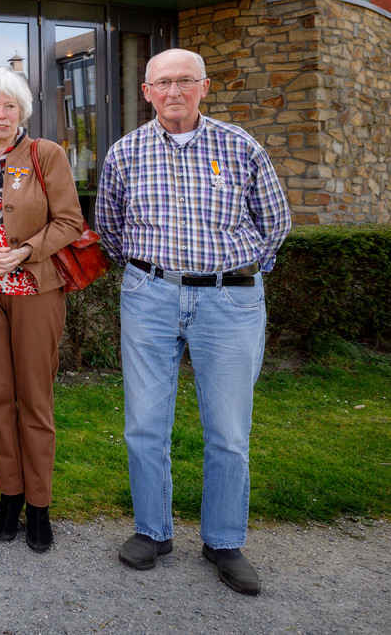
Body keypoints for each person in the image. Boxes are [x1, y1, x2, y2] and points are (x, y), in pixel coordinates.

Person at [98, 48, 291, 596]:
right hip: (149, 295)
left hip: (228, 302)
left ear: (204, 87)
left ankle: (224, 541)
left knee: (228, 430)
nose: (174, 91)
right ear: (147, 92)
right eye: (163, 83)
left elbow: (275, 222)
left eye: (185, 81)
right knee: (144, 422)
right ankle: (152, 532)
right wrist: (147, 274)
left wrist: (241, 274)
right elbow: (109, 227)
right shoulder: (125, 152)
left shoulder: (240, 146)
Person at [0, 67, 82, 552]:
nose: (1, 114)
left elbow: (70, 220)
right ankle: (9, 494)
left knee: (34, 398)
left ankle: (39, 505)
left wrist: (25, 250)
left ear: (22, 111)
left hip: (36, 290)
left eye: (9, 106)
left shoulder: (46, 154)